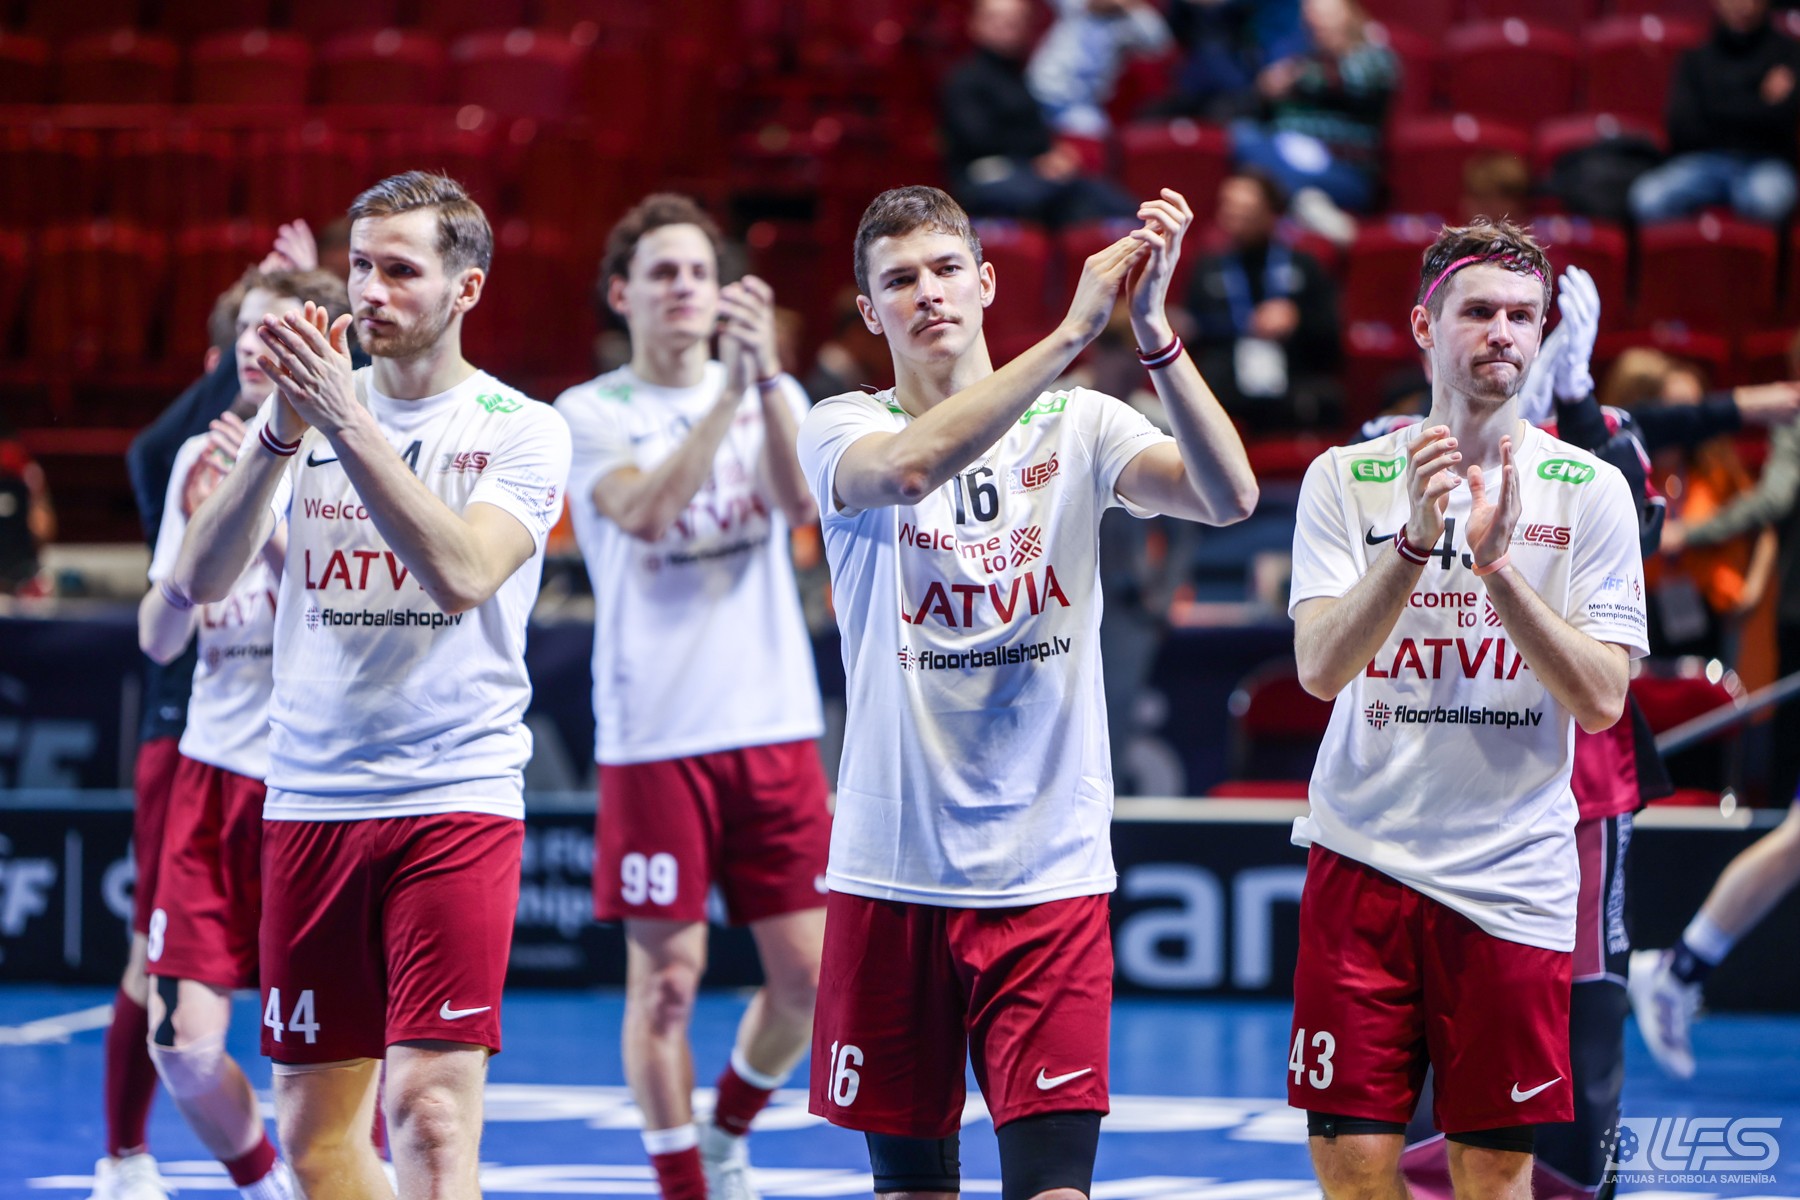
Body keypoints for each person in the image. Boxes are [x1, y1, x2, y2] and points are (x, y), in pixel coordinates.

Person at [798, 184, 1257, 1198]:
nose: (928, 294)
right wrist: (1069, 336)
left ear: (985, 282)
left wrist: (1153, 337)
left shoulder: (1080, 422)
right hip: (893, 871)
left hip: (1047, 871)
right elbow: (908, 471)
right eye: (900, 281)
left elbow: (1230, 497)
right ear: (870, 312)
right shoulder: (838, 426)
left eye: (945, 270)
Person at [168, 171, 571, 1199]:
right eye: (358, 267)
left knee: (430, 1112)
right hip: (310, 797)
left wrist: (344, 421)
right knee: (313, 1140)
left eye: (400, 270)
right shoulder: (298, 422)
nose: (370, 292)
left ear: (466, 288)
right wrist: (276, 435)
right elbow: (199, 581)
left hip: (455, 794)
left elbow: (462, 572)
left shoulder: (521, 427)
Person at [1288, 219, 1647, 1200]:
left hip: (1512, 879)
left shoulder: (1591, 491)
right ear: (1424, 326)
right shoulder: (1344, 477)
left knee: (1493, 1175)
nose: (1504, 334)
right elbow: (1320, 668)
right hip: (1361, 860)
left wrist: (1497, 570)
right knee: (1354, 1170)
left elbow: (1602, 699)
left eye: (1524, 316)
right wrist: (1412, 543)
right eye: (1479, 311)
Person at [553, 194, 830, 1200]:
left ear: (722, 295)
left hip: (773, 721)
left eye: (699, 273)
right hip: (656, 734)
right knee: (666, 984)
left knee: (811, 982)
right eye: (662, 273)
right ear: (621, 293)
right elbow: (646, 511)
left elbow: (802, 508)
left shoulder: (770, 392)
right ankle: (682, 1184)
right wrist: (728, 402)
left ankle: (726, 1132)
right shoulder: (588, 412)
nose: (682, 288)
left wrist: (765, 387)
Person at [135, 268, 348, 1200]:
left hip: (317, 782)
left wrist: (256, 510)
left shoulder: (350, 450)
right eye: (253, 330)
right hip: (212, 770)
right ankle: (265, 1187)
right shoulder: (198, 457)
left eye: (283, 329)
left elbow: (350, 613)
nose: (262, 345)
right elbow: (160, 637)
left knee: (337, 1052)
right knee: (181, 1047)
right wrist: (199, 541)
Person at [940, 0, 1138, 227]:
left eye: (1014, 21)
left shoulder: (1019, 76)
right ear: (975, 24)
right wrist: (1037, 158)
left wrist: (1052, 153)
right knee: (1066, 196)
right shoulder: (964, 80)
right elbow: (977, 139)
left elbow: (1034, 130)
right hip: (986, 175)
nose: (1005, 26)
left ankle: (1140, 229)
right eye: (995, 19)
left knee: (1099, 194)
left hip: (1029, 172)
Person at [1185, 169, 1341, 430]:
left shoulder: (1303, 265)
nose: (1235, 215)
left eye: (1246, 209)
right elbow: (1196, 328)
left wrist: (1297, 318)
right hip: (1228, 377)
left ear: (1271, 212)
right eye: (1229, 207)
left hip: (1292, 372)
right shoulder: (1208, 268)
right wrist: (1241, 324)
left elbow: (1330, 332)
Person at [1230, 0, 1398, 237]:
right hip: (1290, 156)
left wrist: (1293, 79)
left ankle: (1296, 201)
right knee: (1244, 137)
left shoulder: (1374, 56)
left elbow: (1349, 80)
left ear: (1349, 16)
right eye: (1313, 18)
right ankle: (1304, 203)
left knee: (1258, 174)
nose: (1319, 23)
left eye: (1326, 16)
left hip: (1344, 170)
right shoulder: (1305, 58)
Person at [1628, 0, 1800, 226]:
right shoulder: (1697, 56)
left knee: (1767, 201)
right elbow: (1681, 128)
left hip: (1765, 163)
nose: (1743, 6)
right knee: (1647, 198)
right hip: (1704, 161)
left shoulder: (1788, 54)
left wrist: (1717, 108)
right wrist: (1757, 102)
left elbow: (1784, 120)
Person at [1027, 0, 1173, 138]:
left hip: (1081, 105)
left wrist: (1131, 6)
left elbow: (1159, 42)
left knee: (1100, 140)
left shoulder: (1127, 23)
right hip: (1040, 92)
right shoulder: (1075, 5)